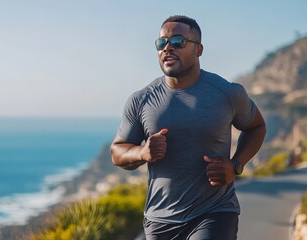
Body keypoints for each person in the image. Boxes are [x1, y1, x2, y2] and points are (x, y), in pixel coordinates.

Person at [111, 15, 266, 240]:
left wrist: (235, 165)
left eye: (178, 42)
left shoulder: (227, 93)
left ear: (198, 49)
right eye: (161, 43)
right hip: (160, 219)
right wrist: (143, 152)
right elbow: (118, 152)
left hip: (214, 212)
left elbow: (257, 126)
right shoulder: (141, 100)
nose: (167, 48)